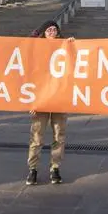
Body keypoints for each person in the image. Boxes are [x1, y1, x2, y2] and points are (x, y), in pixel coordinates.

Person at [26, 20, 75, 186]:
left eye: (55, 30)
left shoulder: (65, 47)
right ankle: (33, 169)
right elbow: (29, 76)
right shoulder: (36, 50)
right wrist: (31, 102)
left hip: (59, 99)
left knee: (59, 136)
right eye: (49, 30)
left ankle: (55, 168)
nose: (53, 32)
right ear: (43, 33)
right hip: (40, 99)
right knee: (37, 137)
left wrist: (74, 46)